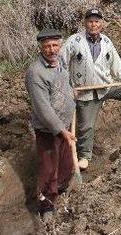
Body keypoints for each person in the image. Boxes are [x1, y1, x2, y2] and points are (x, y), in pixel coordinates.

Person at [60, 9, 121, 171]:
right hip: (85, 92)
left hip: (106, 87)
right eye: (90, 21)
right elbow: (60, 65)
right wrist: (67, 87)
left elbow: (117, 69)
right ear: (85, 23)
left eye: (97, 21)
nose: (93, 24)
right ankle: (85, 156)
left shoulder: (107, 42)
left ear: (101, 24)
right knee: (86, 127)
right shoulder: (74, 41)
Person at [25, 28, 76, 219]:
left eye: (55, 45)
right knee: (48, 167)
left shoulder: (60, 61)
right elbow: (43, 108)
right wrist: (61, 130)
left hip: (65, 123)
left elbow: (65, 82)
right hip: (48, 128)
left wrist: (72, 93)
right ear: (40, 47)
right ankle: (46, 204)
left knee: (65, 161)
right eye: (47, 46)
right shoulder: (35, 73)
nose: (51, 49)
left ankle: (61, 189)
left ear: (60, 45)